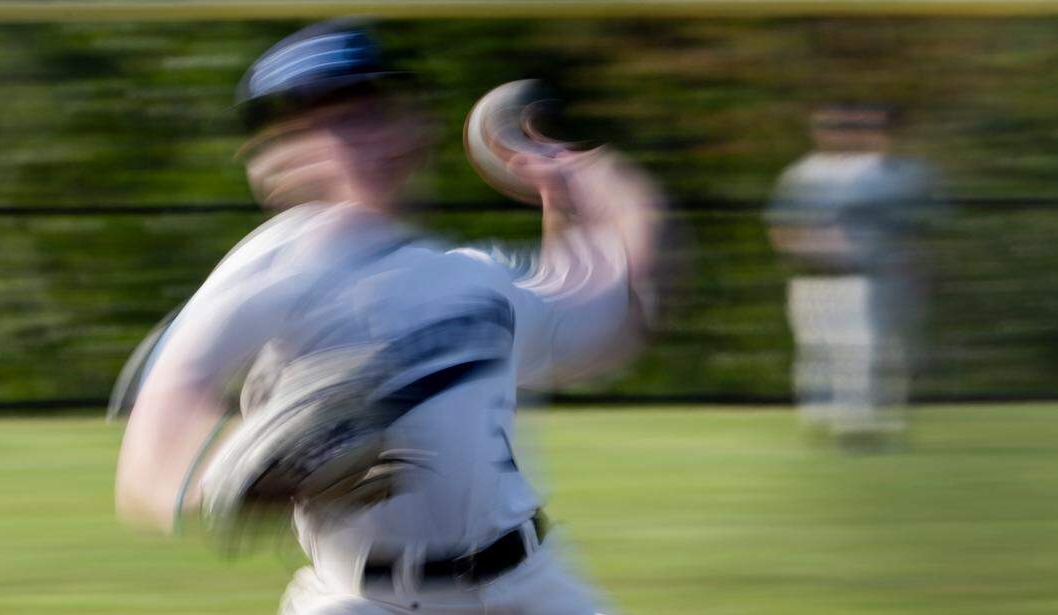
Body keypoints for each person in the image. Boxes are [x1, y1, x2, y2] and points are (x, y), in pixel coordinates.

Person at [115, 20, 661, 614]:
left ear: (410, 127)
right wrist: (230, 482)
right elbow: (152, 454)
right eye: (321, 125)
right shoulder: (277, 263)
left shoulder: (475, 275)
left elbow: (614, 317)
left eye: (367, 113)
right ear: (275, 162)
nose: (354, 141)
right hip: (362, 599)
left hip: (532, 587)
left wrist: (585, 182)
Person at [766, 103, 938, 449]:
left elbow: (919, 224)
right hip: (810, 275)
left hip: (858, 273)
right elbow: (780, 223)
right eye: (831, 126)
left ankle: (856, 424)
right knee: (815, 350)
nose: (839, 133)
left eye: (846, 127)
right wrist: (803, 247)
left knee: (859, 348)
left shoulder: (888, 172)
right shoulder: (802, 173)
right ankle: (820, 419)